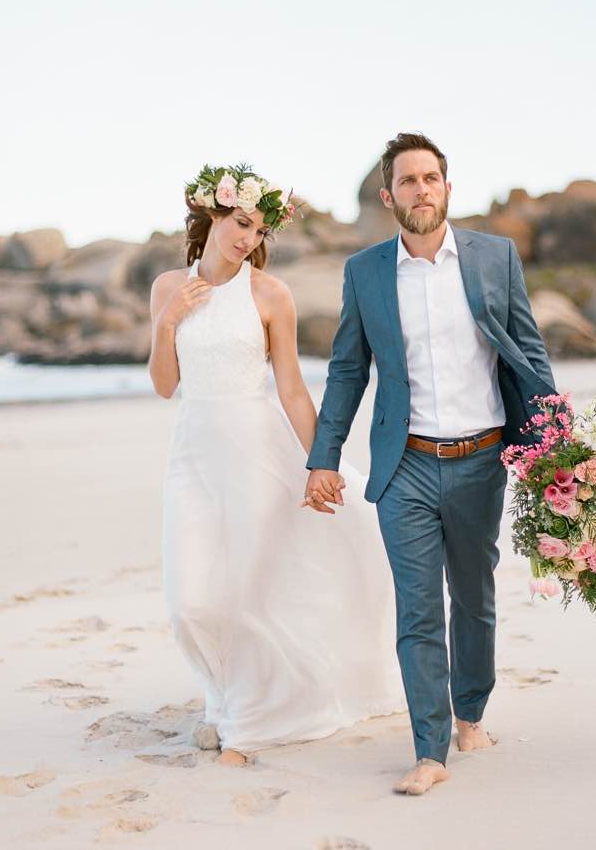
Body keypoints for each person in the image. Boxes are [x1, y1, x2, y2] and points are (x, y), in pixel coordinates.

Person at [304, 133, 557, 796]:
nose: (421, 189)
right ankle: (429, 750)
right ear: (388, 196)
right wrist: (322, 458)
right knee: (418, 610)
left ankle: (469, 714)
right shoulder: (365, 272)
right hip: (405, 465)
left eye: (431, 178)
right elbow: (347, 370)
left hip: (481, 461)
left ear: (448, 187)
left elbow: (528, 350)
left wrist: (554, 437)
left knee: (473, 601)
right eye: (408, 181)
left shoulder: (494, 257)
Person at [150, 165, 402, 767]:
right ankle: (223, 694)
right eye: (240, 222)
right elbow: (165, 387)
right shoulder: (167, 288)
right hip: (194, 456)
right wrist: (168, 322)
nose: (247, 237)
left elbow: (291, 389)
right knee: (191, 602)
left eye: (258, 228)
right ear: (212, 214)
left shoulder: (270, 295)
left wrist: (323, 462)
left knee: (243, 596)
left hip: (258, 453)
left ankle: (244, 721)